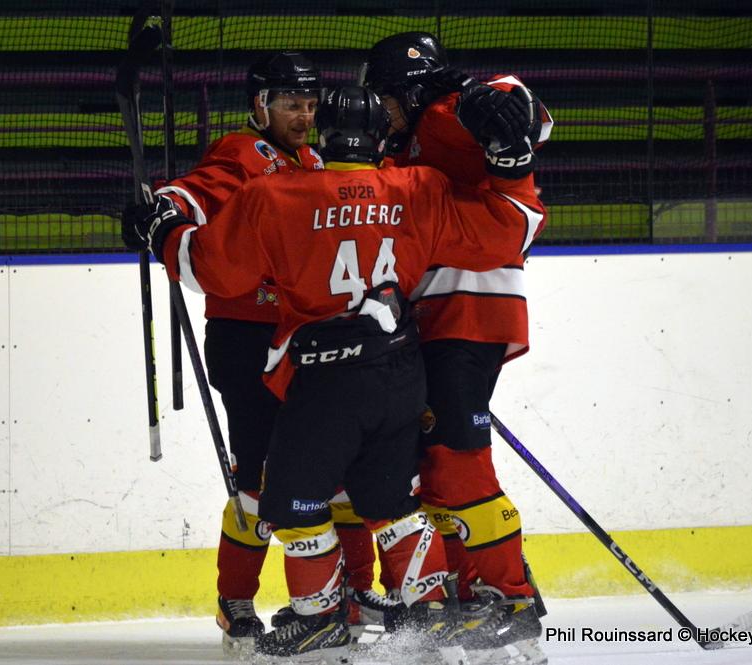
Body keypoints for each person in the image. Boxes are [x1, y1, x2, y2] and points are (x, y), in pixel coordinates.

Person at [123, 85, 545, 663]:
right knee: (393, 503)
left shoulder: (275, 194)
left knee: (291, 504)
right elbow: (508, 230)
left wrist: (164, 232)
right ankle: (426, 615)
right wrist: (514, 166)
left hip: (324, 380)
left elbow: (210, 270)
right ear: (379, 138)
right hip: (401, 374)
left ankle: (319, 618)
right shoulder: (421, 187)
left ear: (322, 136)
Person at [123, 51, 381, 651]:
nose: (304, 116)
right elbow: (193, 195)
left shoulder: (315, 161)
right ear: (261, 105)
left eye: (310, 105)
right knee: (259, 481)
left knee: (335, 471)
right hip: (246, 341)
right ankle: (235, 598)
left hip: (305, 341)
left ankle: (351, 590)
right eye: (291, 104)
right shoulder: (241, 153)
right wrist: (163, 212)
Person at [361, 28, 553, 647]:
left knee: (456, 461)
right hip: (438, 316)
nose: (381, 108)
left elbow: (525, 111)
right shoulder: (404, 143)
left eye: (386, 95)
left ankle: (511, 596)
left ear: (409, 90)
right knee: (436, 465)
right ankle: (473, 591)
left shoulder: (443, 114)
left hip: (469, 308)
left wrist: (491, 101)